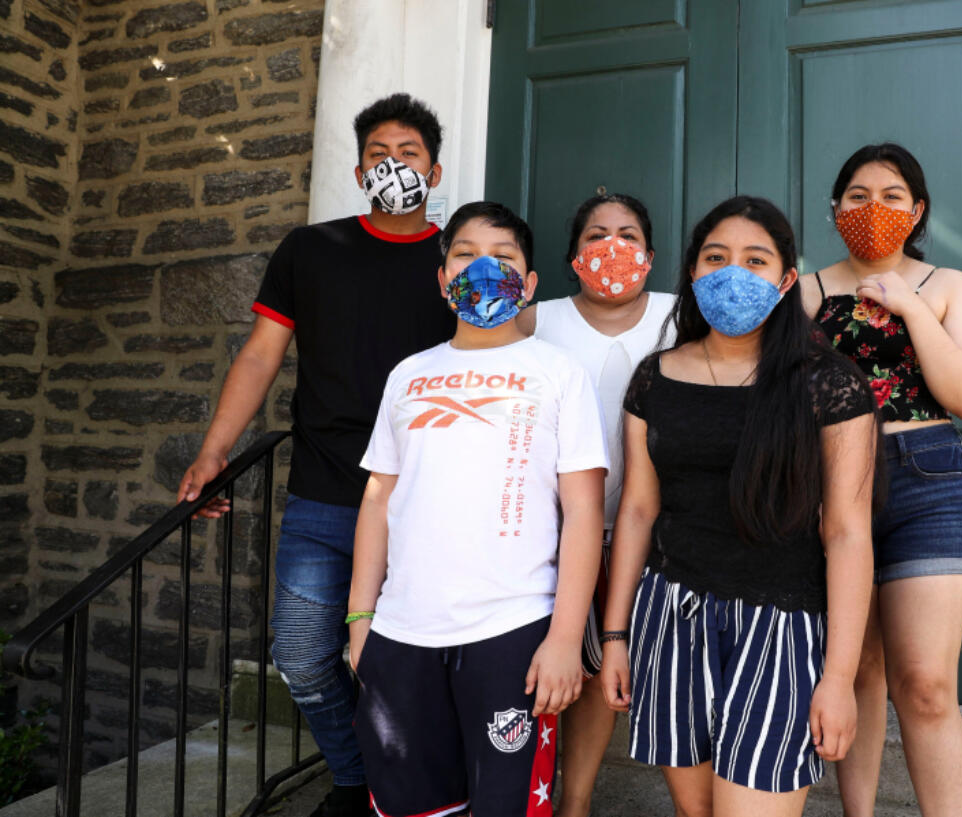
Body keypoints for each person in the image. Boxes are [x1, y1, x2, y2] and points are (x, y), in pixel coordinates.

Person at [175, 93, 456, 817]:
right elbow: (262, 353)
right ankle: (358, 777)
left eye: (410, 154)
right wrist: (214, 452)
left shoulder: (460, 260)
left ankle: (420, 788)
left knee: (420, 664)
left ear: (438, 168)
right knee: (303, 655)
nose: (394, 166)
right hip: (325, 493)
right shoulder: (311, 250)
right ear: (359, 169)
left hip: (433, 500)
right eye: (379, 156)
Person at [600, 196, 878, 817]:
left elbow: (847, 534)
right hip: (670, 617)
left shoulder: (828, 384)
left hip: (780, 627)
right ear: (693, 274)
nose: (734, 273)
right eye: (716, 258)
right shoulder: (654, 378)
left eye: (756, 261)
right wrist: (616, 635)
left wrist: (838, 677)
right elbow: (640, 513)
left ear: (786, 281)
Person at [347, 201, 608, 817]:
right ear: (442, 279)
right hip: (402, 633)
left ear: (531, 282)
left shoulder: (558, 373)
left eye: (504, 257)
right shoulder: (408, 375)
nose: (483, 268)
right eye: (464, 254)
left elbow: (583, 513)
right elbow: (378, 497)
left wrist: (567, 637)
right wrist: (361, 622)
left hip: (512, 634)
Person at [799, 143, 962, 817]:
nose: (873, 208)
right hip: (829, 484)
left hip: (926, 477)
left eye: (890, 195)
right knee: (857, 670)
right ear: (834, 208)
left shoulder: (948, 286)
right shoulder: (808, 290)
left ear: (918, 210)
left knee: (927, 684)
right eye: (856, 195)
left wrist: (909, 307)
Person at [517, 193, 675, 817]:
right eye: (596, 235)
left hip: (656, 534)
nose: (613, 247)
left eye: (629, 234)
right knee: (574, 673)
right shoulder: (538, 319)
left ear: (651, 254)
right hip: (556, 531)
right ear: (574, 255)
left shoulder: (679, 316)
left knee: (642, 668)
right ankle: (569, 804)